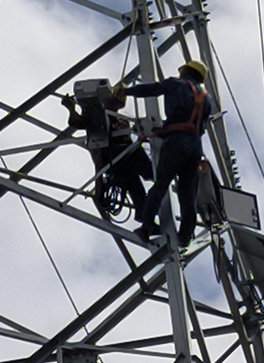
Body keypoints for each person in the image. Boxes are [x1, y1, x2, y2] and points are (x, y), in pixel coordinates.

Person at [120, 60, 212, 247]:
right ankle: (185, 236)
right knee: (187, 194)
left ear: (185, 71)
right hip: (195, 146)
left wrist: (126, 91)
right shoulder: (206, 99)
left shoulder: (175, 84)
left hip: (177, 143)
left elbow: (152, 90)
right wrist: (159, 133)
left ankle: (146, 228)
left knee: (161, 183)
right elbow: (191, 125)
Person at [62, 90, 152, 220]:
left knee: (134, 184)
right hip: (110, 158)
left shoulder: (122, 121)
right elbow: (76, 122)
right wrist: (71, 109)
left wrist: (139, 142)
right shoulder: (98, 116)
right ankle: (150, 173)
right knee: (137, 165)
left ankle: (145, 218)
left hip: (122, 159)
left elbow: (128, 141)